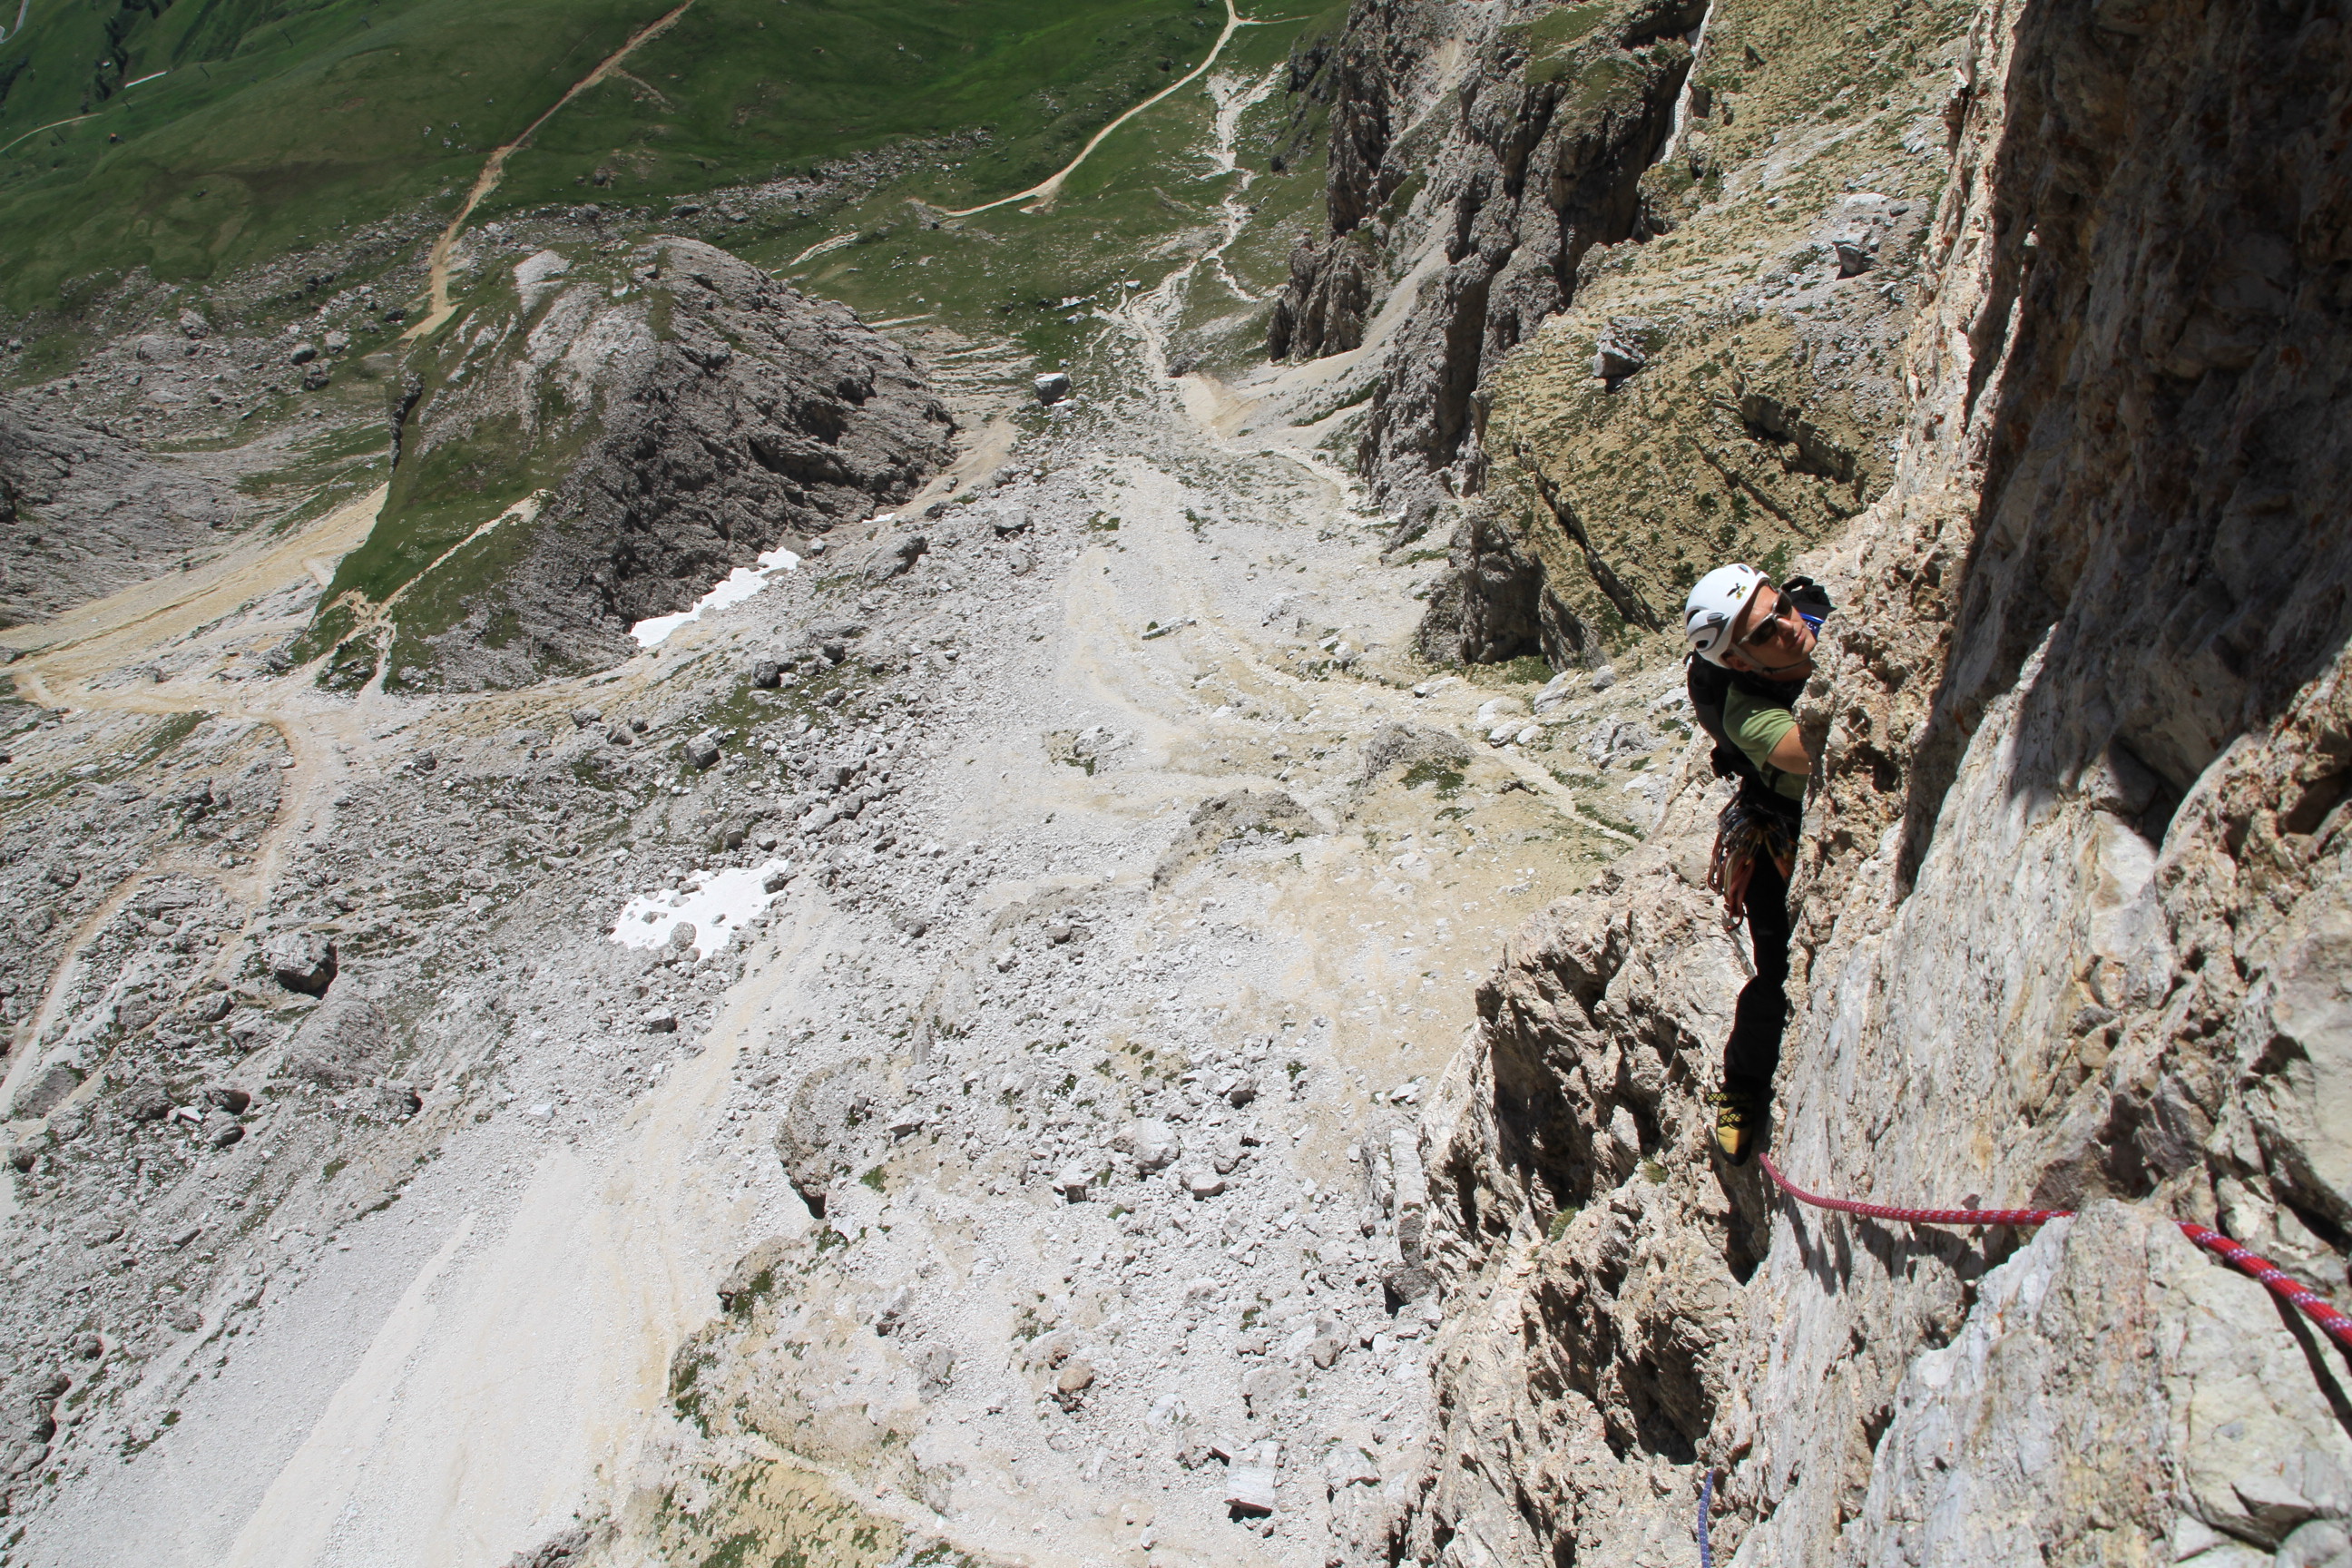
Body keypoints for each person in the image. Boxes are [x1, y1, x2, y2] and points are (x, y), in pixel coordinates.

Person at [1681, 564, 1829, 1163]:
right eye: (1766, 630)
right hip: (1778, 829)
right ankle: (1740, 1093)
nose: (1788, 628)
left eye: (1783, 610)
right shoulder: (1746, 713)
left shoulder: (1813, 618)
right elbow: (1805, 753)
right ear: (1739, 662)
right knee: (1774, 972)